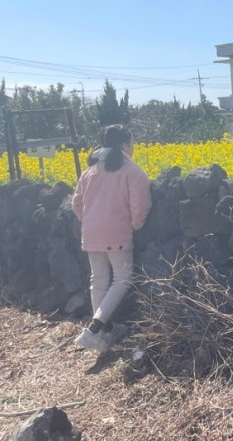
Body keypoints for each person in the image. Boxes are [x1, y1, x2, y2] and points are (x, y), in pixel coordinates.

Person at [72, 125, 152, 352]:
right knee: (123, 279)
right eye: (132, 143)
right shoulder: (132, 171)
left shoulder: (90, 171)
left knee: (97, 281)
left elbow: (76, 203)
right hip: (116, 232)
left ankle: (104, 334)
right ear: (125, 144)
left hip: (90, 232)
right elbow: (140, 206)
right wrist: (135, 225)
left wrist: (89, 222)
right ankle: (94, 329)